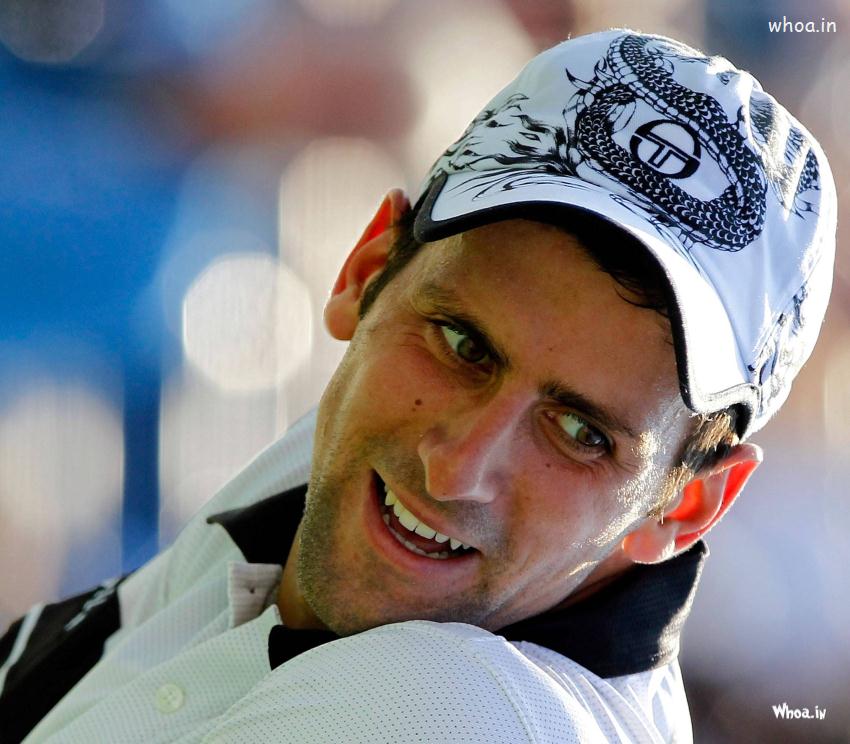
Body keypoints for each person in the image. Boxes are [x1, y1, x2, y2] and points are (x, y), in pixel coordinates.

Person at [0, 29, 836, 743]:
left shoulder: (449, 712)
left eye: (581, 434)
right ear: (366, 271)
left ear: (687, 507)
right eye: (464, 347)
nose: (457, 466)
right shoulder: (342, 485)